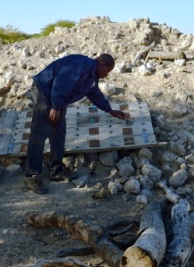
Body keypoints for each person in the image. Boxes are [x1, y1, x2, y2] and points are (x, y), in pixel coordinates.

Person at [24, 53, 126, 194]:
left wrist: (110, 110)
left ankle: (57, 170)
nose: (106, 75)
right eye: (107, 71)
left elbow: (95, 94)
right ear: (102, 65)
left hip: (57, 99)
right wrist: (55, 107)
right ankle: (32, 174)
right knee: (40, 132)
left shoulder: (91, 77)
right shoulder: (81, 64)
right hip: (45, 91)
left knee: (59, 132)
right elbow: (60, 82)